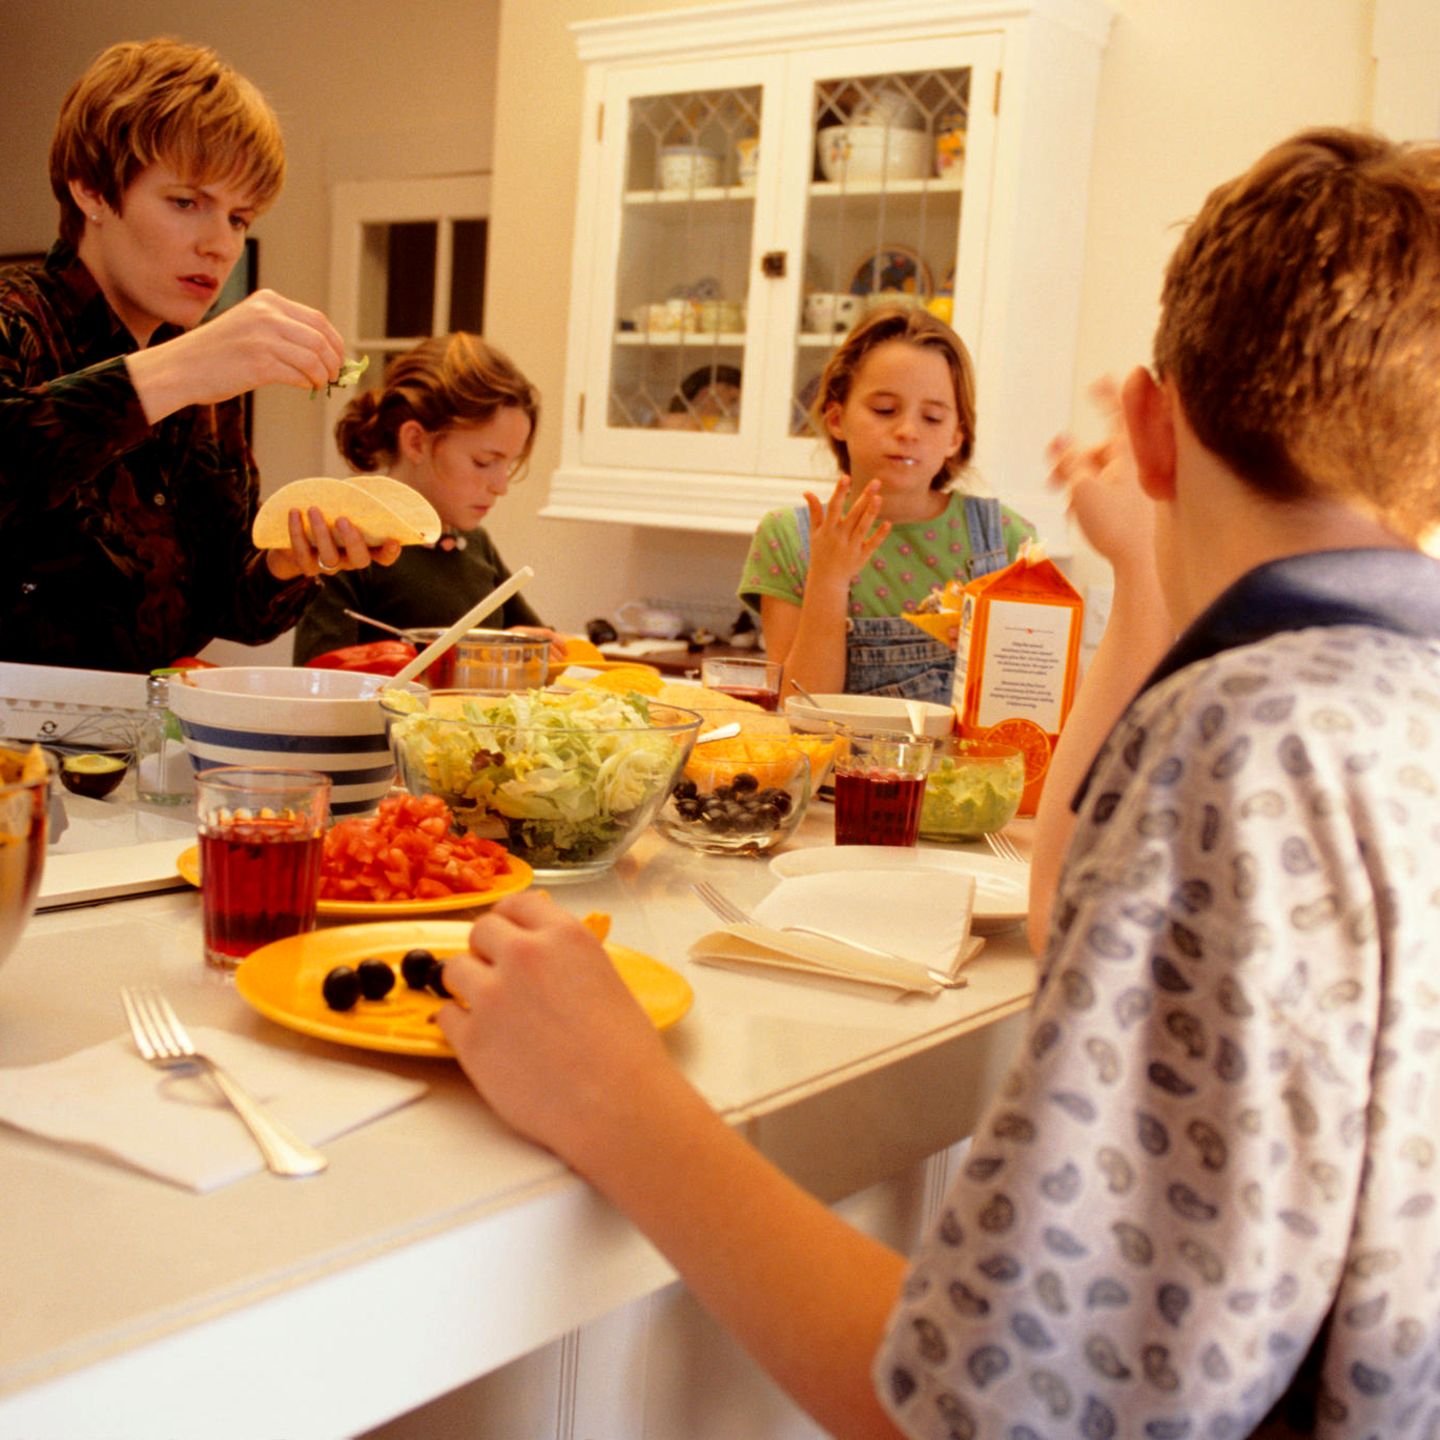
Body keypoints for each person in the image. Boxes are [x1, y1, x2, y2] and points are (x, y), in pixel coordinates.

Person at [436, 125, 1440, 1439]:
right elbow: (1080, 885)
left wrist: (614, 1100)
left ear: (1148, 424)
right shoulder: (1368, 708)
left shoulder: (1246, 740)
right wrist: (1140, 571)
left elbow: (994, 1409)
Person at [0, 37, 397, 674]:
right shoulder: (14, 317)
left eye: (240, 218)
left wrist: (289, 559)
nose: (221, 245)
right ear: (92, 192)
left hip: (151, 745)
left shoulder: (209, 376)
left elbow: (233, 612)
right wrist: (180, 371)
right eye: (187, 203)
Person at [737, 305, 1036, 704]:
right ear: (837, 418)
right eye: (884, 410)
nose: (907, 431)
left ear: (955, 437)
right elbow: (800, 708)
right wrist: (828, 579)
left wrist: (994, 651)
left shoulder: (1009, 541)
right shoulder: (790, 538)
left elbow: (1044, 703)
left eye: (931, 417)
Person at [291, 332, 564, 664]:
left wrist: (530, 646)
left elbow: (540, 643)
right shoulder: (346, 545)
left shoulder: (475, 544)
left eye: (510, 464)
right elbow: (318, 684)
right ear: (417, 442)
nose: (501, 486)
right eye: (484, 462)